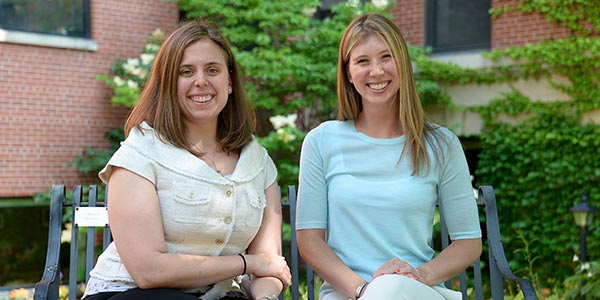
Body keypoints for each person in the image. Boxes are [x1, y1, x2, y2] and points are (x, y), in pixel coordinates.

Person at [82, 19, 291, 300]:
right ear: (169, 84)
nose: (200, 81)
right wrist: (247, 263)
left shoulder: (258, 163)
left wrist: (265, 296)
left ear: (229, 82)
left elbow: (269, 265)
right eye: (186, 71)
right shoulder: (141, 153)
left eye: (212, 70)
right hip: (135, 293)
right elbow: (149, 272)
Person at [296, 13, 482, 300]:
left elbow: (468, 242)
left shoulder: (441, 145)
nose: (376, 71)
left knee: (389, 290)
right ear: (348, 72)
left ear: (403, 64)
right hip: (347, 293)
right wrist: (363, 290)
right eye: (362, 61)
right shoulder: (322, 142)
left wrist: (420, 275)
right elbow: (309, 241)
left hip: (416, 291)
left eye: (386, 57)